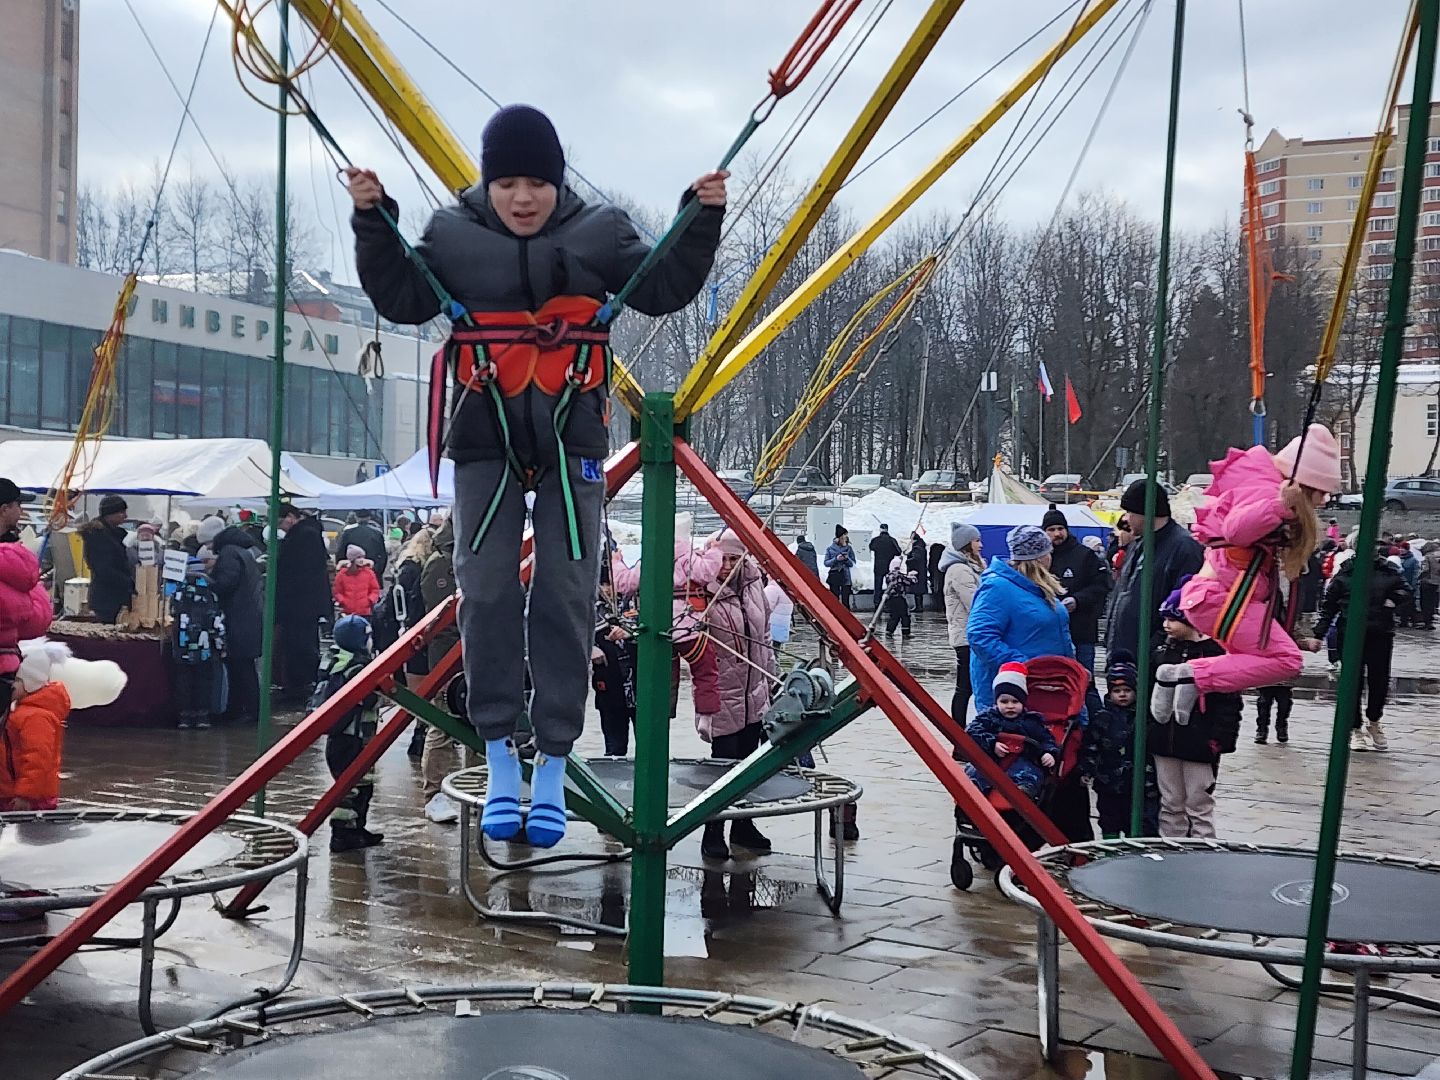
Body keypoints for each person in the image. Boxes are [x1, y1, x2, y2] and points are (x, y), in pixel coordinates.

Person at [350, 104, 725, 850]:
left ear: (557, 183)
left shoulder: (599, 232)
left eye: (537, 184)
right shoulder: (454, 236)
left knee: (564, 587)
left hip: (568, 438)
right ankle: (497, 749)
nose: (523, 198)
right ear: (489, 184)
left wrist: (699, 219)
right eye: (508, 183)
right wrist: (374, 220)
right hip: (485, 435)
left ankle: (552, 756)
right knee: (484, 586)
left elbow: (662, 284)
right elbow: (402, 294)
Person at [1155, 426, 1340, 724]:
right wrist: (1282, 506)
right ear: (1306, 485)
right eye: (1322, 493)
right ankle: (1188, 675)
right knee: (1287, 659)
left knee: (1248, 658)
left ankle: (1186, 678)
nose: (1324, 501)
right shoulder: (1270, 496)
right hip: (1222, 600)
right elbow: (1236, 530)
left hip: (1218, 599)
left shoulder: (1262, 491)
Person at [698, 530, 776, 861]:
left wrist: (770, 675)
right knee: (723, 764)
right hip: (723, 690)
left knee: (749, 762)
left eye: (735, 558)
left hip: (754, 689)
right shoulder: (702, 592)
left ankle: (743, 825)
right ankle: (712, 830)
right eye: (723, 558)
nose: (727, 565)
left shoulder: (753, 585)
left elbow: (765, 633)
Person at [1150, 589, 1242, 839]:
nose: (1166, 625)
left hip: (1200, 742)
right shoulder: (1161, 650)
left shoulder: (1215, 653)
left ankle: (1203, 847)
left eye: (1172, 619)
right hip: (1164, 740)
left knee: (1198, 801)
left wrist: (1220, 740)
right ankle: (1171, 845)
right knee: (1170, 801)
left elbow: (1229, 702)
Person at [1311, 541, 1412, 752]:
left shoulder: (1388, 570)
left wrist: (1393, 600)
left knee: (1379, 680)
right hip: (1350, 633)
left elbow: (1405, 590)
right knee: (1352, 682)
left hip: (1380, 632)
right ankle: (1355, 727)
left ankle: (1374, 720)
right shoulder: (1346, 572)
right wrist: (1318, 634)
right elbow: (1329, 606)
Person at [966, 525, 1076, 715]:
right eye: (1048, 551)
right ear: (1040, 557)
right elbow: (980, 636)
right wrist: (1023, 667)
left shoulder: (1037, 587)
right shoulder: (998, 587)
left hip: (1050, 685)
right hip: (1015, 694)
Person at [1105, 480, 1202, 663]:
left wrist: (1154, 649)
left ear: (1147, 512)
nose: (1125, 519)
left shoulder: (1184, 548)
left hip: (1154, 662)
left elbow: (1183, 605)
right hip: (1127, 659)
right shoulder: (1139, 545)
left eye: (1130, 512)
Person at [316, 615, 384, 853]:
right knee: (353, 789)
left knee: (356, 785)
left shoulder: (334, 661)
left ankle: (356, 829)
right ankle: (342, 834)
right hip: (352, 738)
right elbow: (367, 699)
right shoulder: (357, 668)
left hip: (340, 738)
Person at [418, 516, 470, 824]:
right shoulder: (441, 563)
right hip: (450, 660)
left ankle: (476, 787)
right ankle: (434, 794)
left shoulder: (471, 557)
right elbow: (441, 618)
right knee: (444, 727)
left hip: (476, 656)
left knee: (479, 726)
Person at [1080, 652, 1157, 838]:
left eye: (1127, 690)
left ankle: (1135, 851)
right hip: (1108, 782)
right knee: (1109, 819)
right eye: (1117, 691)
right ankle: (1110, 847)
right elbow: (1091, 746)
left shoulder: (1144, 717)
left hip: (1139, 783)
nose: (1122, 695)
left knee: (1138, 821)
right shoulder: (1102, 717)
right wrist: (1086, 770)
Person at [963, 663, 1058, 800]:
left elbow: (1046, 739)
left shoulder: (1031, 721)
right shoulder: (988, 718)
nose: (1010, 706)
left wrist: (1048, 752)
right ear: (996, 703)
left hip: (1022, 761)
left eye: (1015, 702)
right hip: (992, 760)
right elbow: (972, 732)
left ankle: (1024, 794)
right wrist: (992, 743)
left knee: (1030, 773)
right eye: (1004, 702)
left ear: (1023, 703)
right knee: (975, 771)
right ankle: (971, 795)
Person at [203, 516, 264, 725]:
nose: (209, 550)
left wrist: (208, 581)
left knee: (240, 667)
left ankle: (246, 710)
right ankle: (244, 709)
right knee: (244, 667)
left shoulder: (229, 553)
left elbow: (226, 583)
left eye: (208, 544)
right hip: (249, 617)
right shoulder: (242, 551)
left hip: (239, 618)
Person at [0, 479, 52, 718]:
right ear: (4, 509)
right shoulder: (16, 563)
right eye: (18, 505)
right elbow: (37, 620)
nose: (21, 512)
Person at [0, 641, 72, 811]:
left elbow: (38, 758)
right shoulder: (21, 711)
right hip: (11, 793)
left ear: (30, 683)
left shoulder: (36, 717)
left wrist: (26, 795)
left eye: (15, 681)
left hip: (28, 800)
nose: (9, 687)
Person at [1043, 506, 1111, 678]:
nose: (1057, 533)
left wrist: (1078, 600)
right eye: (1051, 530)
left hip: (1081, 630)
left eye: (1060, 529)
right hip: (1049, 633)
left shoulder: (1084, 555)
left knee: (1083, 680)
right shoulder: (1041, 559)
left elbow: (1101, 585)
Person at [274, 503, 333, 701]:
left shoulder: (303, 536)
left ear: (291, 517)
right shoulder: (309, 534)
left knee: (300, 646)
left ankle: (300, 686)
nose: (281, 527)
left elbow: (298, 573)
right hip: (305, 605)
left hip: (299, 605)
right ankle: (301, 683)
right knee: (303, 644)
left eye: (281, 522)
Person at [171, 553, 226, 730]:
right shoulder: (210, 592)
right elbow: (215, 620)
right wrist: (220, 643)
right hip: (204, 647)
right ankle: (203, 715)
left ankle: (184, 716)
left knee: (183, 680)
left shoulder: (178, 592)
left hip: (182, 644)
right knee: (203, 680)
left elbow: (173, 614)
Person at [940, 522, 984, 723]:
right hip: (967, 637)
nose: (980, 545)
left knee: (968, 686)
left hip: (969, 635)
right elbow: (975, 603)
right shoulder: (960, 570)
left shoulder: (969, 567)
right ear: (966, 544)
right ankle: (958, 733)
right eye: (977, 541)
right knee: (965, 687)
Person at [592, 564, 637, 757]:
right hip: (609, 688)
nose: (607, 588)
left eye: (610, 583)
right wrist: (589, 649)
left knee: (651, 749)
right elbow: (568, 639)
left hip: (641, 688)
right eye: (602, 583)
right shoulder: (587, 610)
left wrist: (631, 633)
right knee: (614, 748)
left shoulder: (637, 603)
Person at [80, 493, 135, 624]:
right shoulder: (99, 537)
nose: (125, 516)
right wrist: (128, 583)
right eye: (121, 512)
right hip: (107, 599)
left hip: (112, 596)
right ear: (110, 514)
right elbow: (104, 569)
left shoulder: (111, 535)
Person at [335, 510, 388, 581]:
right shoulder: (377, 533)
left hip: (352, 571)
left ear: (356, 517)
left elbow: (340, 553)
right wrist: (378, 571)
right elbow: (383, 555)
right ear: (369, 517)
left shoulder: (347, 533)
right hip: (372, 571)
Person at [333, 545, 382, 618]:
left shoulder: (369, 573)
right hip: (347, 612)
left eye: (363, 557)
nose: (362, 560)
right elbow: (337, 591)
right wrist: (343, 601)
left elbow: (375, 589)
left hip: (365, 612)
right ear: (352, 559)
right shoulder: (342, 574)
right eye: (358, 557)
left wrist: (369, 600)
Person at [882, 555, 915, 638]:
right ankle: (906, 633)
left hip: (891, 599)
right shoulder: (899, 576)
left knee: (894, 616)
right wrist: (912, 576)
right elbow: (910, 582)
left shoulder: (888, 576)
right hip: (899, 598)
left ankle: (889, 631)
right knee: (905, 616)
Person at [868, 524, 903, 604]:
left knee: (878, 586)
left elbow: (871, 547)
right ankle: (889, 602)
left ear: (880, 529)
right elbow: (898, 552)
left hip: (878, 566)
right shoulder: (892, 540)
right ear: (887, 529)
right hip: (889, 566)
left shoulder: (875, 540)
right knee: (890, 586)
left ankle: (877, 602)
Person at [824, 526, 855, 609]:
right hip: (835, 575)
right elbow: (826, 563)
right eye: (844, 535)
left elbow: (852, 563)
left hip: (846, 577)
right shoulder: (830, 549)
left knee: (846, 600)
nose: (846, 538)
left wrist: (846, 559)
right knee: (834, 599)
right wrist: (836, 559)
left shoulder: (849, 548)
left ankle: (846, 618)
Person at [764, 574, 793, 653]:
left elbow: (765, 608)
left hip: (771, 627)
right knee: (776, 653)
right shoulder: (787, 589)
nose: (767, 576)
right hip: (781, 627)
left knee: (769, 654)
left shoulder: (772, 589)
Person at [906, 532, 929, 613]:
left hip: (917, 572)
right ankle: (919, 606)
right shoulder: (920, 546)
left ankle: (919, 607)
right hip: (921, 572)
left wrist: (907, 560)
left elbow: (915, 559)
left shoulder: (917, 548)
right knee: (919, 591)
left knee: (918, 591)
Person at [1420, 540, 1440, 631]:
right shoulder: (1438, 557)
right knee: (1432, 602)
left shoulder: (1427, 557)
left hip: (1427, 581)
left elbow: (1425, 569)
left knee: (1425, 603)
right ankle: (1430, 621)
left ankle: (1427, 623)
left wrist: (1419, 577)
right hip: (1436, 582)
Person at [928, 541, 945, 610]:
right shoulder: (944, 561)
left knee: (937, 590)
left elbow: (930, 567)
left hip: (935, 575)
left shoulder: (933, 558)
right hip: (942, 575)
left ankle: (939, 606)